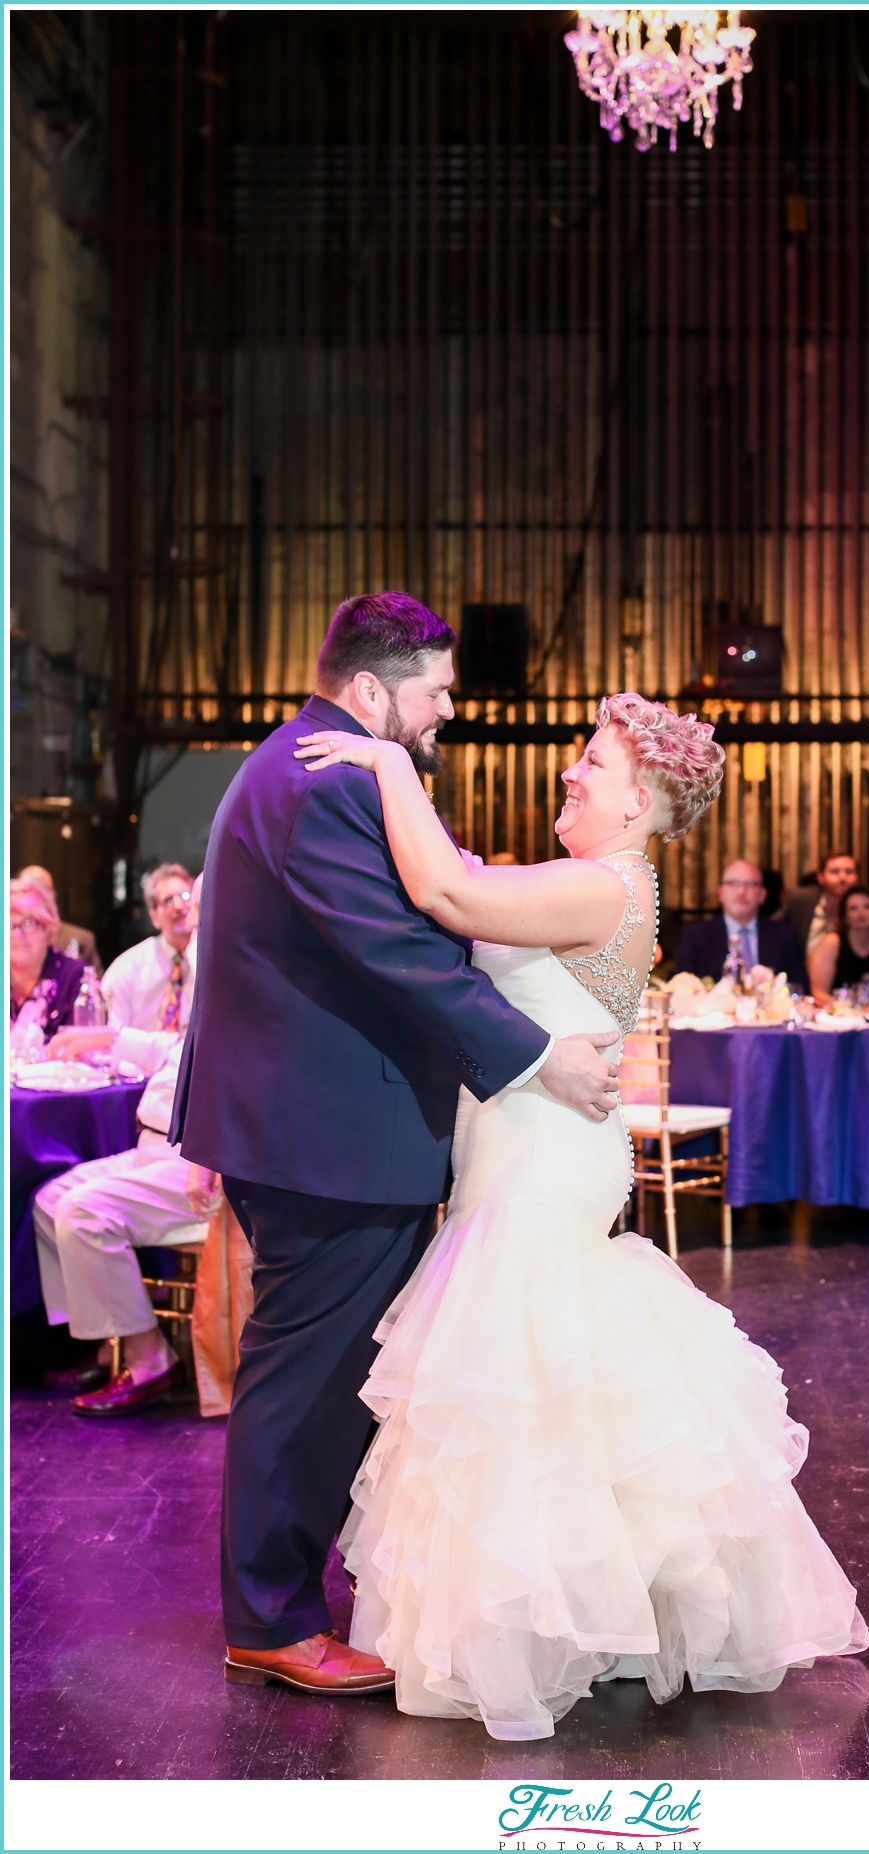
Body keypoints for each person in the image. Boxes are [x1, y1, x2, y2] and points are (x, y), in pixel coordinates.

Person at [293, 690, 869, 1741]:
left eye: (592, 763)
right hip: (533, 1145)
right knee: (550, 1379)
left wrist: (385, 765)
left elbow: (448, 895)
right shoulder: (603, 882)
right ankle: (584, 1614)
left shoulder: (598, 887)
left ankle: (530, 1628)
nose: (570, 771)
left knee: (518, 1381)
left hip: (541, 1162)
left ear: (641, 799)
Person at [173, 590, 624, 1700]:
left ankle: (283, 1599)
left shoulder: (309, 768)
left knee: (329, 1368)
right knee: (309, 1374)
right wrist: (534, 1055)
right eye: (438, 692)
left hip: (323, 1126)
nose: (451, 710)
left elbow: (421, 913)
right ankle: (270, 1619)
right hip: (324, 1134)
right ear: (371, 689)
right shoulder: (327, 779)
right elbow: (395, 951)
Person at [33, 884, 207, 1413]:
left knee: (82, 1212)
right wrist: (109, 1038)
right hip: (154, 1146)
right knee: (47, 1201)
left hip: (194, 1157)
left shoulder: (242, 960)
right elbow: (180, 1046)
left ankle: (149, 1358)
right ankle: (110, 1345)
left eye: (198, 899)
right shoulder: (213, 955)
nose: (187, 909)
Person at [675, 859, 805, 984]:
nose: (741, 891)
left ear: (762, 895)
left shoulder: (784, 935)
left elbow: (799, 988)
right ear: (720, 893)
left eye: (750, 884)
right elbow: (684, 988)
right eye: (734, 883)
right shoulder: (697, 936)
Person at [101, 863, 196, 1032]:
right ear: (154, 918)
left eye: (185, 896)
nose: (179, 906)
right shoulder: (127, 969)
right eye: (168, 900)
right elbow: (112, 1036)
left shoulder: (213, 963)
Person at [10, 877, 86, 1049]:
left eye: (29, 923)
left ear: (47, 929)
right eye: (8, 925)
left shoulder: (75, 978)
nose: (17, 934)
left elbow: (83, 1054)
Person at [808, 886, 869, 1004]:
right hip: (837, 1016)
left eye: (867, 907)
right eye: (853, 908)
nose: (861, 913)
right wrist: (846, 1009)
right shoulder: (832, 943)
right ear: (844, 916)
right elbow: (818, 992)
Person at [16, 865, 102, 972]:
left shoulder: (80, 939)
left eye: (43, 889)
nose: (37, 897)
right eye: (29, 890)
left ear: (53, 895)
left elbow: (94, 983)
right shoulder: (9, 939)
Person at [782, 850, 859, 961]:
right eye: (835, 872)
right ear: (820, 877)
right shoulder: (801, 901)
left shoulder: (864, 907)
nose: (843, 878)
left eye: (849, 872)